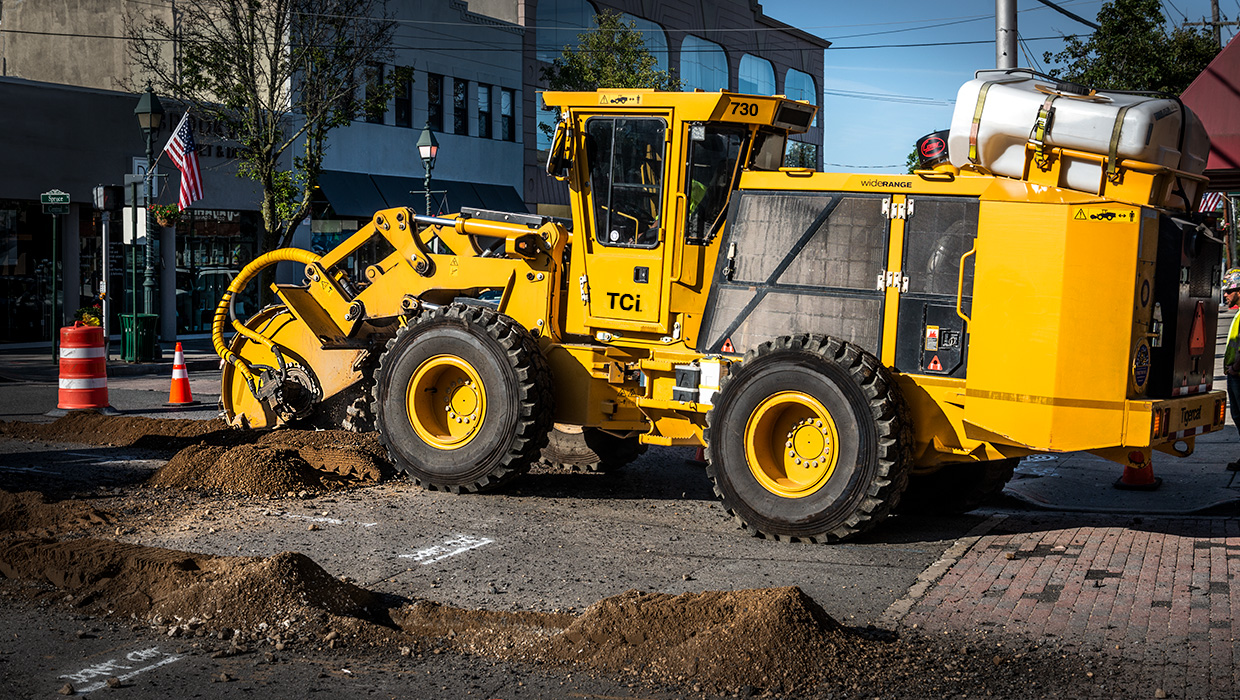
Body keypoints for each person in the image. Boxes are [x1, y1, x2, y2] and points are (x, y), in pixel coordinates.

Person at [1223, 268, 1240, 470]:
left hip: (1238, 375)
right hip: (1234, 374)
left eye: (1229, 291)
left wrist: (1235, 368)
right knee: (1237, 416)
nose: (1225, 295)